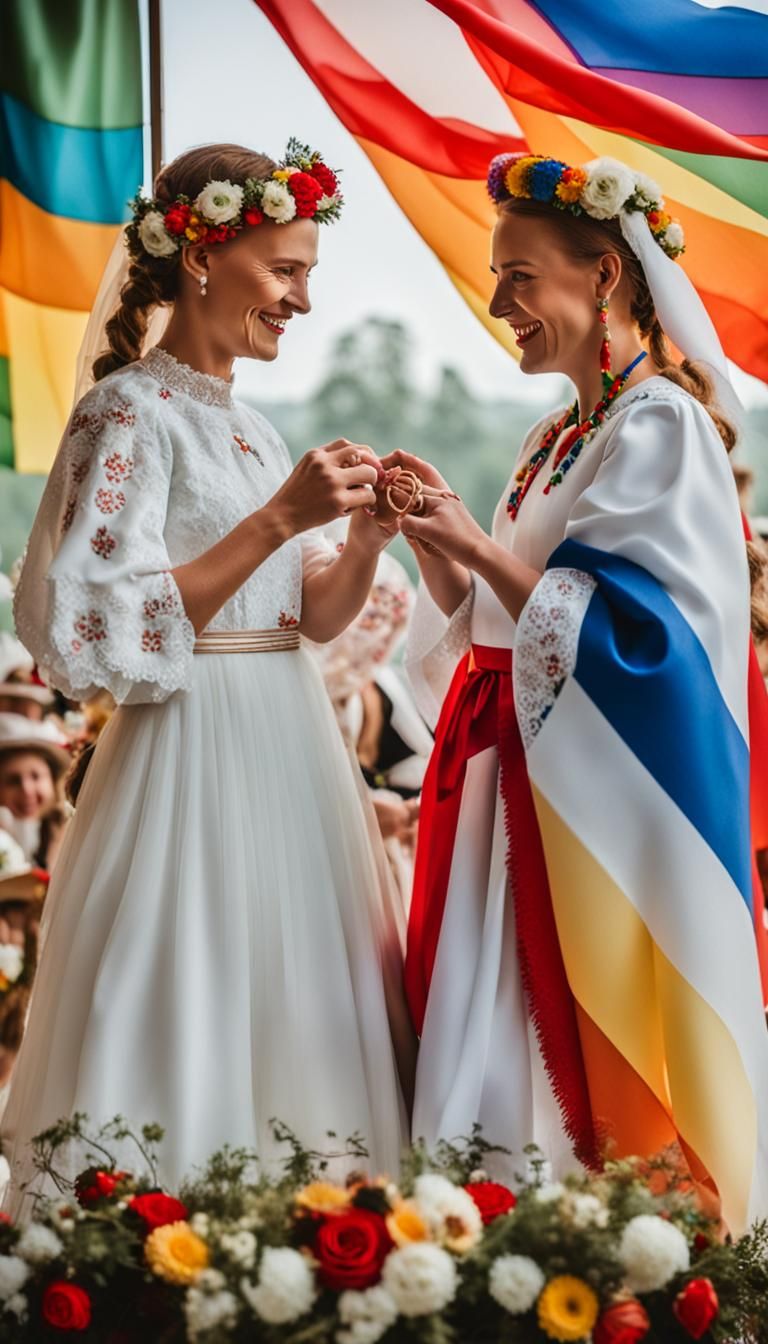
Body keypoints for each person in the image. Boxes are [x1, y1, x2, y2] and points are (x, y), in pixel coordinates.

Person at [3, 141, 411, 1211]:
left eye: (309, 273)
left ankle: (304, 1245)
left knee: (296, 1002)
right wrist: (283, 514)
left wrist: (359, 537)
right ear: (201, 258)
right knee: (192, 986)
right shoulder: (127, 411)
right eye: (285, 268)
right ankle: (156, 1247)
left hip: (290, 746)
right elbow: (93, 622)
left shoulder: (250, 423)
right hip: (187, 749)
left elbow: (301, 619)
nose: (303, 298)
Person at [395, 153, 768, 1234]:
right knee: (482, 1005)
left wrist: (475, 540)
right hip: (507, 769)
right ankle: (477, 1225)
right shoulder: (550, 438)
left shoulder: (660, 426)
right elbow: (501, 612)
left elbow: (645, 635)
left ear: (602, 273)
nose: (500, 301)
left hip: (586, 792)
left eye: (519, 276)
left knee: (554, 1023)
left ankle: (579, 1239)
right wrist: (440, 541)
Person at [313, 543, 432, 917]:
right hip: (342, 886)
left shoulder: (393, 689)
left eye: (386, 618)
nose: (374, 631)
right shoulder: (312, 701)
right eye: (366, 617)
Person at [0, 715, 69, 861]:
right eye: (13, 781)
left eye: (36, 777)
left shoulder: (70, 832)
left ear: (52, 780)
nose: (27, 790)